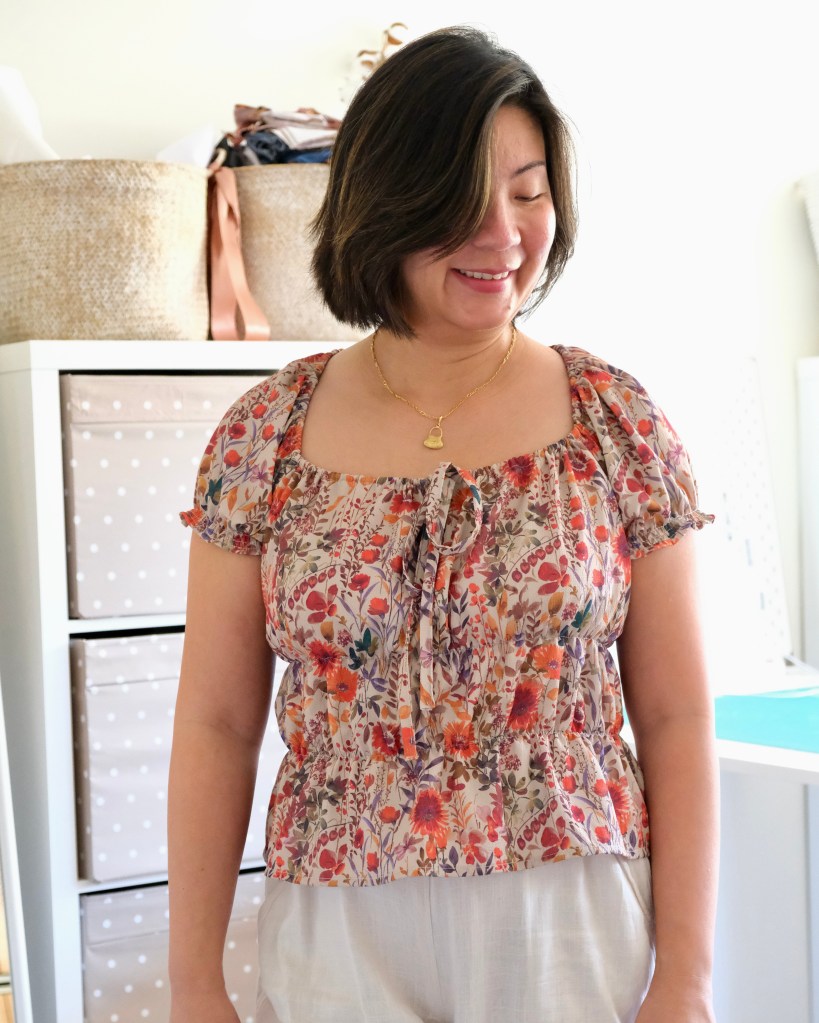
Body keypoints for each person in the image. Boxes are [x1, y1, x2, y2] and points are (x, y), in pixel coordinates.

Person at [168, 25, 719, 1023]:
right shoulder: (266, 434)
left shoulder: (614, 422)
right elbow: (216, 723)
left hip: (566, 910)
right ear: (389, 200)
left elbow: (677, 715)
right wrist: (193, 981)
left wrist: (687, 976)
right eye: (464, 198)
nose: (504, 234)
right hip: (335, 917)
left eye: (529, 191)